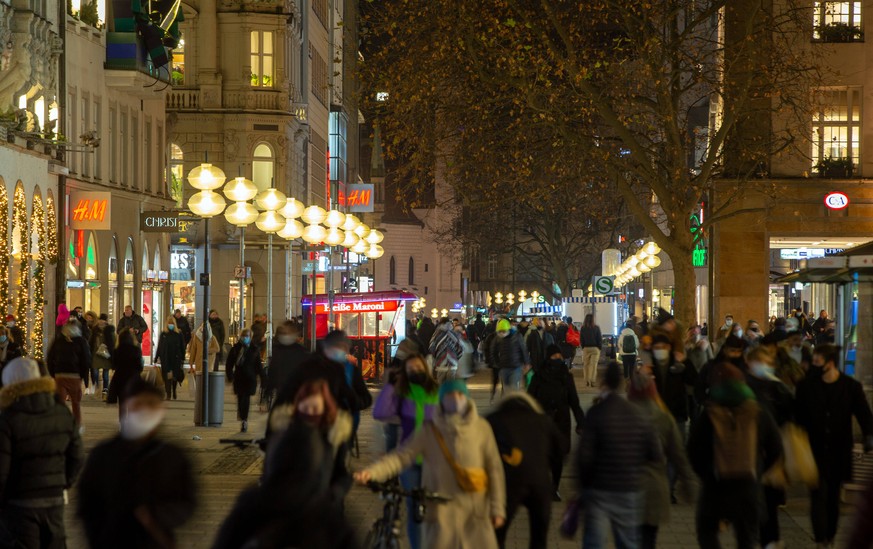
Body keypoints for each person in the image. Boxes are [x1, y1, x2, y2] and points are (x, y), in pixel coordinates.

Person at [355, 379, 506, 549]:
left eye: (459, 394)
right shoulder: (430, 430)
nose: (455, 398)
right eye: (449, 394)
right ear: (441, 399)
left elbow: (495, 470)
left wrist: (497, 508)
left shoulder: (482, 428)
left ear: (466, 397)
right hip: (441, 516)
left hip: (475, 516)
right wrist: (372, 473)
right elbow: (401, 457)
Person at [215, 383, 356, 549]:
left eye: (315, 408)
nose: (310, 413)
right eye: (306, 407)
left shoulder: (334, 436)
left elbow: (343, 473)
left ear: (325, 408)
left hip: (322, 499)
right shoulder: (285, 435)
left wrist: (333, 494)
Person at [77, 378, 196, 549]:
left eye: (151, 404)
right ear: (128, 407)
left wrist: (155, 515)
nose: (145, 410)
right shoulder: (104, 454)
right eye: (139, 404)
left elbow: (187, 501)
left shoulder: (173, 455)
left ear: (161, 410)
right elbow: (87, 504)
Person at [688, 362, 783, 549]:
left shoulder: (710, 412)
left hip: (716, 487)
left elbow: (693, 449)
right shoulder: (758, 411)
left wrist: (706, 474)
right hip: (749, 487)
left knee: (706, 531)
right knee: (747, 538)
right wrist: (759, 469)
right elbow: (776, 447)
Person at [576, 361, 662, 549]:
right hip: (629, 488)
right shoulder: (637, 413)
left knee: (594, 542)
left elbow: (584, 456)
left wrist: (582, 487)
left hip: (599, 489)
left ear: (603, 383)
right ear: (623, 384)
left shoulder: (596, 412)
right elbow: (655, 453)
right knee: (628, 542)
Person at [795, 344, 873, 548]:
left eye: (817, 361)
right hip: (814, 449)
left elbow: (863, 414)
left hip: (839, 449)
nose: (814, 365)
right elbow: (798, 417)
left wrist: (868, 435)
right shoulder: (806, 386)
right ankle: (821, 539)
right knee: (817, 495)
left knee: (832, 498)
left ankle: (830, 535)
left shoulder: (850, 387)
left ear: (830, 363)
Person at [0, 357, 83, 549]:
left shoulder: (8, 419)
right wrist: (61, 482)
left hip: (19, 505)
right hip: (54, 500)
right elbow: (77, 456)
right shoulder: (61, 413)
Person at [371, 353, 439, 549]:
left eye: (418, 367)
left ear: (425, 368)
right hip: (409, 460)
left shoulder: (436, 391)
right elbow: (380, 413)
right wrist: (390, 386)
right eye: (410, 369)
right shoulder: (402, 393)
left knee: (434, 511)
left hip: (433, 461)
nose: (415, 371)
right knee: (414, 511)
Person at [628, 374, 697, 549]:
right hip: (654, 488)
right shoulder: (663, 417)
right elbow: (679, 455)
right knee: (648, 540)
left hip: (625, 489)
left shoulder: (621, 415)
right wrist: (688, 485)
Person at [487, 392, 563, 549]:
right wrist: (551, 475)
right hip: (540, 483)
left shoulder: (494, 420)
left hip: (508, 483)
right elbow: (560, 450)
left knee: (497, 535)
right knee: (539, 538)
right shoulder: (543, 421)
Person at [745, 345, 794, 549]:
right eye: (760, 363)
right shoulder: (744, 386)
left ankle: (770, 539)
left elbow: (792, 414)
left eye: (766, 363)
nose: (763, 367)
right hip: (750, 451)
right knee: (753, 499)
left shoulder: (778, 388)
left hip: (773, 451)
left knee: (769, 500)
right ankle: (759, 537)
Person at [527, 344, 584, 499]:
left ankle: (550, 487)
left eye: (559, 357)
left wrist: (581, 422)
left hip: (552, 421)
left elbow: (574, 401)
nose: (558, 359)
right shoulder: (550, 375)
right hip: (552, 421)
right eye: (556, 356)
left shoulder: (554, 375)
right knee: (551, 456)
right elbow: (530, 397)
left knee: (552, 455)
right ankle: (549, 486)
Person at [47, 319, 92, 425]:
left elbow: (50, 358)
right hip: (74, 375)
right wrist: (82, 375)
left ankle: (59, 423)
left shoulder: (58, 340)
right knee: (76, 403)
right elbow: (86, 360)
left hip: (60, 375)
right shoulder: (81, 341)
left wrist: (53, 373)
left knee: (60, 402)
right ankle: (77, 425)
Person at [226, 328, 264, 433]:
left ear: (250, 337)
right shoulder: (235, 348)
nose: (245, 338)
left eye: (247, 336)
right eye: (244, 336)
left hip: (250, 379)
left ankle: (244, 420)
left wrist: (263, 377)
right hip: (239, 378)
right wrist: (230, 376)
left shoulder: (254, 349)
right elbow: (229, 364)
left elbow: (258, 366)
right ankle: (242, 417)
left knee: (245, 399)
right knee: (240, 399)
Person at [267, 322, 310, 402]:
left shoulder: (301, 352)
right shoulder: (277, 350)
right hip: (282, 391)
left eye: (288, 332)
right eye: (284, 333)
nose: (286, 335)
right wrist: (269, 388)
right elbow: (273, 370)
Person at [107, 328, 144, 420]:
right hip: (133, 378)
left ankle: (122, 424)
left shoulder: (117, 350)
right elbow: (139, 365)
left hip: (120, 378)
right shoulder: (136, 349)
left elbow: (114, 364)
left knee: (122, 403)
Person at [154, 315, 186, 401]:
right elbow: (160, 346)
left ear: (174, 324)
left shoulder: (179, 334)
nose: (170, 325)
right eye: (169, 323)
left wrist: (183, 357)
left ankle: (174, 390)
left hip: (176, 357)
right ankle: (168, 394)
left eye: (172, 323)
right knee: (167, 376)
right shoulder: (163, 334)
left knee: (174, 376)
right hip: (166, 358)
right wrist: (156, 357)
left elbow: (182, 346)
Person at [495, 318, 530, 393]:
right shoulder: (498, 338)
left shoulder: (517, 336)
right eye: (500, 331)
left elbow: (523, 349)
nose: (501, 333)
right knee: (506, 388)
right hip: (504, 367)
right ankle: (508, 402)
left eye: (503, 331)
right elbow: (493, 350)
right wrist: (496, 363)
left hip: (516, 367)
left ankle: (513, 403)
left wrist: (527, 362)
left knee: (513, 388)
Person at [89, 313, 116, 398]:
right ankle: (97, 385)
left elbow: (113, 341)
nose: (101, 322)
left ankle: (105, 389)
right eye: (100, 320)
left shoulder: (109, 330)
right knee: (95, 372)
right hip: (96, 353)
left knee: (105, 373)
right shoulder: (94, 330)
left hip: (106, 354)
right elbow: (91, 341)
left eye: (103, 320)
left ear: (106, 321)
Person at [580, 314, 602, 387]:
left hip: (586, 348)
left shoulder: (583, 328)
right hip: (595, 348)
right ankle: (592, 381)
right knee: (593, 365)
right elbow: (599, 339)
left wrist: (583, 347)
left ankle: (587, 381)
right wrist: (599, 347)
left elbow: (581, 339)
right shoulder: (596, 328)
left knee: (586, 365)